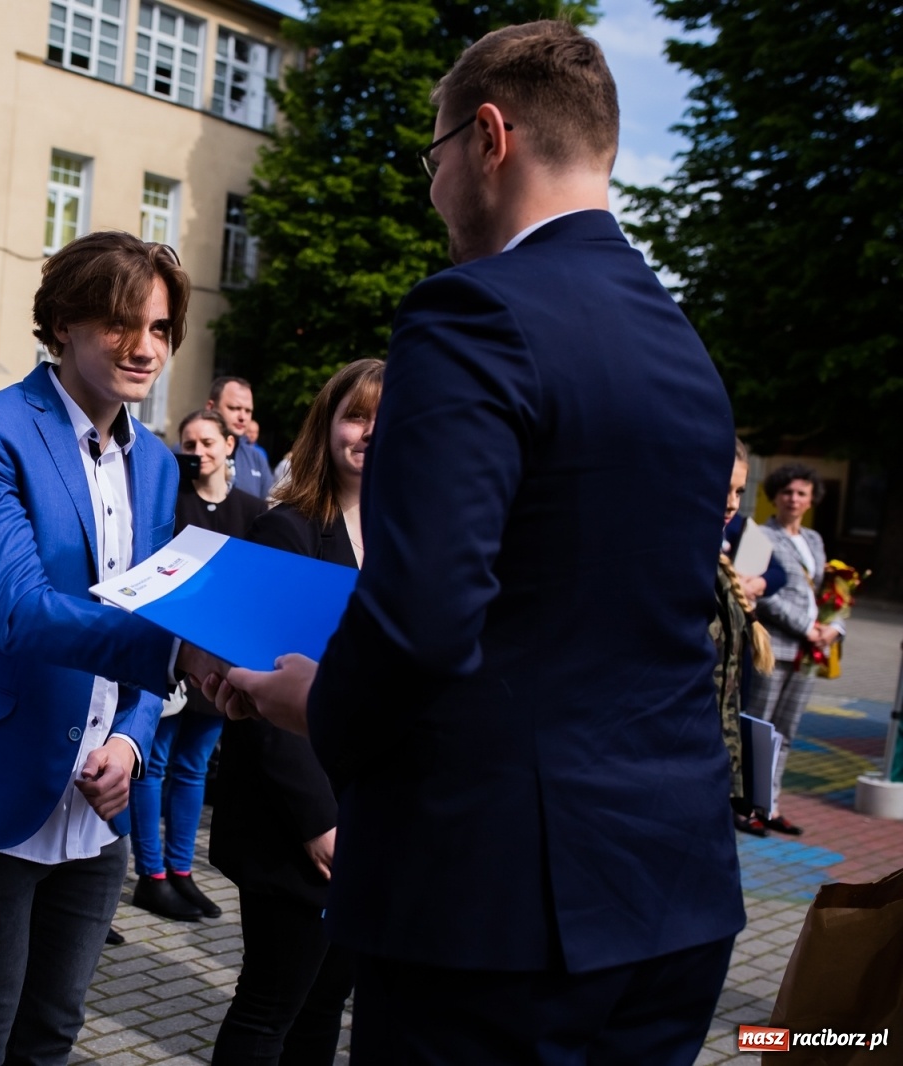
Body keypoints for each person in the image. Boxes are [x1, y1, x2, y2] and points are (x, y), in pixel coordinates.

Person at [203, 22, 745, 1062]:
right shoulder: (680, 342)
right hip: (672, 891)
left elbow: (423, 618)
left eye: (435, 156)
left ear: (489, 137)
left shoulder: (473, 312)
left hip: (496, 909)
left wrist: (311, 697)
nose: (434, 189)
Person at [0, 231, 219, 1066]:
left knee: (52, 1034)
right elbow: (15, 609)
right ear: (64, 323)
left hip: (99, 807)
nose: (144, 347)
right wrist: (179, 655)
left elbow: (147, 606)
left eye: (160, 328)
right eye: (120, 323)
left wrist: (132, 740)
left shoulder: (156, 462)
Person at [208, 360, 378, 1066]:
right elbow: (261, 687)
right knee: (270, 1005)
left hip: (374, 815)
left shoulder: (413, 539)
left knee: (326, 1006)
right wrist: (319, 821)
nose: (370, 433)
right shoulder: (288, 530)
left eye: (387, 418)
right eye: (356, 416)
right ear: (326, 426)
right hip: (297, 818)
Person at [129, 409, 266, 923]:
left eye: (208, 442)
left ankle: (182, 871)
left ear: (229, 445)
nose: (198, 451)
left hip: (220, 660)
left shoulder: (254, 511)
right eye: (189, 443)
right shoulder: (169, 503)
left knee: (192, 769)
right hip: (169, 655)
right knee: (154, 765)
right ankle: (152, 876)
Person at [746, 462, 840, 837]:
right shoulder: (758, 536)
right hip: (773, 646)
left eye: (802, 493)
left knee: (785, 732)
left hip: (808, 653)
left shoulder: (814, 539)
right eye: (787, 492)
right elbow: (755, 593)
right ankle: (745, 806)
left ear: (811, 499)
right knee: (758, 728)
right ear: (774, 496)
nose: (794, 499)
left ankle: (770, 805)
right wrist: (806, 627)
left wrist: (835, 627)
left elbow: (825, 591)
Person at [715, 441, 774, 837]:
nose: (732, 503)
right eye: (724, 488)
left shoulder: (719, 569)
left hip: (715, 760)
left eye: (739, 490)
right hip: (677, 760)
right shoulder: (669, 564)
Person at [206, 376, 273, 500]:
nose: (242, 417)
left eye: (248, 411)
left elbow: (269, 505)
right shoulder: (188, 452)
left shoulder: (256, 459)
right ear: (211, 407)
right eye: (234, 408)